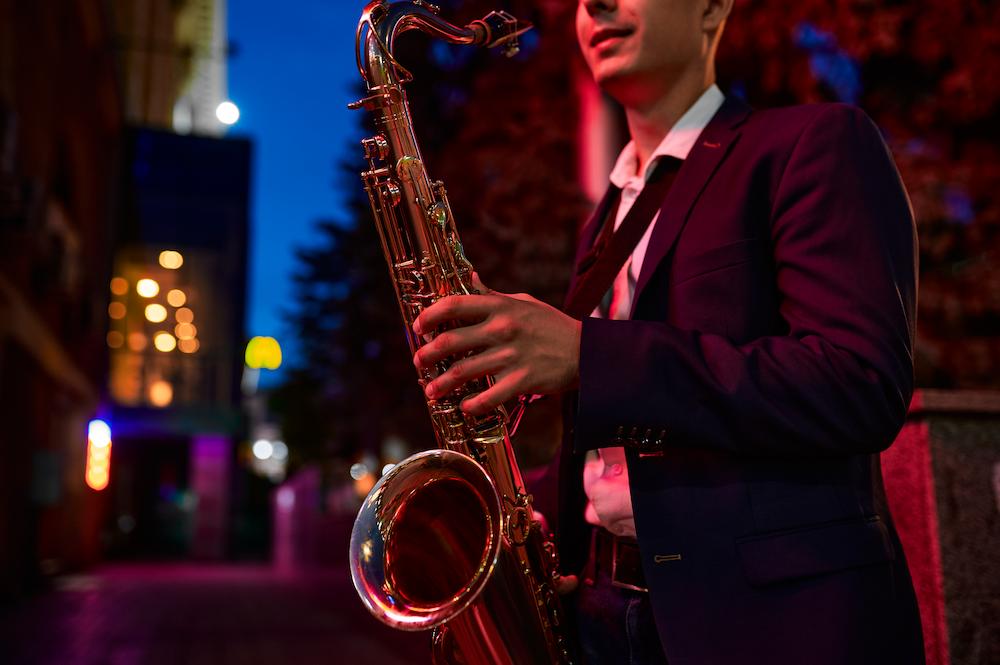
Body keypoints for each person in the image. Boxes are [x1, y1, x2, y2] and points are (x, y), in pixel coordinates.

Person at [412, 0, 925, 662]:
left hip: (769, 626)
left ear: (713, 7)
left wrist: (587, 354)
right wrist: (518, 522)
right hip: (606, 616)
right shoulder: (608, 217)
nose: (593, 4)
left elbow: (858, 383)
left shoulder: (812, 142)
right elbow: (630, 451)